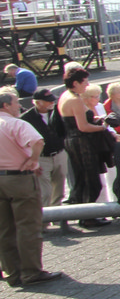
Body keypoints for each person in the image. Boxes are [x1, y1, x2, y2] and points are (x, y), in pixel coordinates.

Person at [0, 87, 55, 287]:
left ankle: (12, 273)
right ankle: (31, 271)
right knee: (28, 226)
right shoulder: (16, 123)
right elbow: (37, 141)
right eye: (16, 102)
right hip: (19, 178)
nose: (19, 106)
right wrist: (33, 159)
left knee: (4, 228)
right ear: (6, 105)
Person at [57, 68, 110, 223]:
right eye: (85, 82)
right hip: (81, 142)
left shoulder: (65, 95)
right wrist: (103, 127)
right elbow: (83, 127)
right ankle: (87, 217)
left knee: (82, 179)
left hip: (73, 140)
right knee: (90, 180)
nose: (87, 85)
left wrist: (95, 120)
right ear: (75, 83)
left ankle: (85, 215)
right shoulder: (75, 100)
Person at [22, 89, 66, 220]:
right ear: (38, 102)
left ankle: (57, 219)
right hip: (41, 158)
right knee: (45, 192)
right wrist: (32, 159)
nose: (52, 103)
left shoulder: (58, 112)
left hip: (59, 154)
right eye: (48, 101)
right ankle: (44, 221)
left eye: (52, 100)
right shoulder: (26, 118)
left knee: (59, 190)